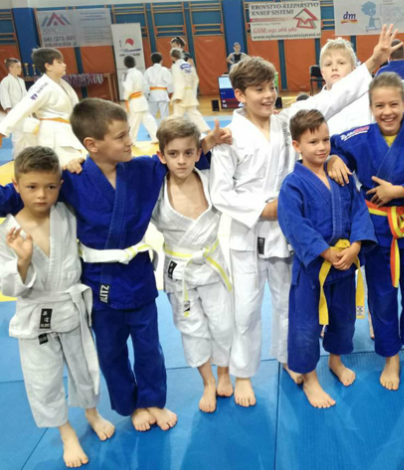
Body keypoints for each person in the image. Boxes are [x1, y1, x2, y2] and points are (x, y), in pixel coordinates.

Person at [210, 25, 400, 407]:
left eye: (271, 87)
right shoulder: (229, 136)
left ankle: (290, 359)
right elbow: (220, 193)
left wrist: (373, 62)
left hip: (288, 233)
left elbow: (332, 97)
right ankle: (243, 374)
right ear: (240, 94)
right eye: (258, 90)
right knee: (245, 310)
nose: (268, 95)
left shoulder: (287, 121)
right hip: (247, 234)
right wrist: (263, 209)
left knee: (291, 307)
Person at [49, 98, 224, 431]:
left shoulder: (143, 169)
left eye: (129, 132)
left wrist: (208, 143)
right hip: (100, 280)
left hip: (138, 274)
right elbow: (25, 194)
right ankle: (130, 406)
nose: (131, 140)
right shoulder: (72, 179)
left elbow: (181, 157)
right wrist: (62, 166)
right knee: (111, 351)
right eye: (121, 136)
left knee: (148, 346)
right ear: (92, 145)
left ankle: (153, 401)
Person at [329, 72, 404, 391]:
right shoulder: (359, 136)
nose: (387, 112)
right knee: (381, 296)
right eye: (379, 106)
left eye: (394, 104)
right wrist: (334, 158)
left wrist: (398, 191)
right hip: (375, 232)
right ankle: (390, 356)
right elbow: (333, 145)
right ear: (371, 107)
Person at [0, 147, 115, 468]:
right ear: (16, 186)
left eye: (50, 186)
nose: (42, 195)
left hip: (70, 307)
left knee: (85, 368)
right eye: (32, 187)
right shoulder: (8, 231)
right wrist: (23, 260)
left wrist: (75, 163)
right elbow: (8, 285)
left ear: (60, 185)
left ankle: (92, 413)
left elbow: (91, 183)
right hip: (34, 316)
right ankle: (66, 432)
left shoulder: (66, 214)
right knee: (43, 379)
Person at [277, 109, 376, 408]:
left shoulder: (340, 175)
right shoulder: (293, 184)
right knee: (305, 325)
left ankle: (335, 360)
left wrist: (356, 245)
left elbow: (359, 210)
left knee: (344, 319)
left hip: (344, 263)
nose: (321, 147)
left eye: (325, 140)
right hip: (313, 268)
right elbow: (294, 224)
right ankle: (310, 378)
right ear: (296, 145)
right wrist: (325, 251)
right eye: (313, 142)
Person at [150, 116, 234, 413]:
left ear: (199, 153)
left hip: (213, 264)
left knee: (224, 324)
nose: (182, 160)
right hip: (179, 272)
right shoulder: (155, 191)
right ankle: (208, 382)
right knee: (192, 329)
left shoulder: (211, 179)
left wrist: (209, 141)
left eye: (188, 153)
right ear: (161, 156)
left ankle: (224, 374)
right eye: (173, 154)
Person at [0, 48, 83, 165]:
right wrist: (3, 130)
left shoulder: (62, 84)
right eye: (59, 62)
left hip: (67, 133)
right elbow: (22, 107)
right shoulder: (43, 86)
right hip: (53, 136)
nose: (64, 65)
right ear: (48, 66)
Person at [319, 37, 372, 135]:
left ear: (353, 70)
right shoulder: (315, 108)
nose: (334, 68)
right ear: (322, 73)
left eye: (341, 63)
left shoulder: (368, 101)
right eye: (328, 64)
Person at [170, 48, 210, 133]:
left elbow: (179, 81)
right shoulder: (188, 65)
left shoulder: (175, 66)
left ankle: (174, 132)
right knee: (193, 113)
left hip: (181, 93)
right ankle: (206, 129)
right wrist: (193, 92)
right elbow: (195, 79)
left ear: (172, 57)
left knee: (177, 115)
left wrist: (178, 96)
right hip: (190, 92)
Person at [122, 55, 158, 142]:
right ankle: (156, 137)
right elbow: (145, 86)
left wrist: (126, 98)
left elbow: (128, 89)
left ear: (125, 64)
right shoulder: (139, 73)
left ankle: (131, 140)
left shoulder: (127, 74)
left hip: (134, 101)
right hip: (142, 99)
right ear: (135, 63)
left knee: (133, 122)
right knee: (149, 120)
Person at [0, 58, 30, 157]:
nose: (20, 69)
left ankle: (26, 154)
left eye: (20, 67)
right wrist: (9, 110)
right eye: (17, 67)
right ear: (10, 68)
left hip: (24, 110)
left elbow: (26, 95)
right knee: (17, 134)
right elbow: (4, 96)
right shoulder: (5, 81)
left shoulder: (21, 80)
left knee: (26, 132)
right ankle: (17, 156)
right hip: (14, 111)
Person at [144, 52, 172, 119]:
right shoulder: (164, 70)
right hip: (162, 93)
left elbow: (144, 84)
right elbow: (170, 82)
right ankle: (165, 125)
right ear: (161, 60)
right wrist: (169, 91)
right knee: (164, 115)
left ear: (152, 60)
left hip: (152, 94)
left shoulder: (148, 71)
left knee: (151, 114)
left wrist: (147, 94)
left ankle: (151, 126)